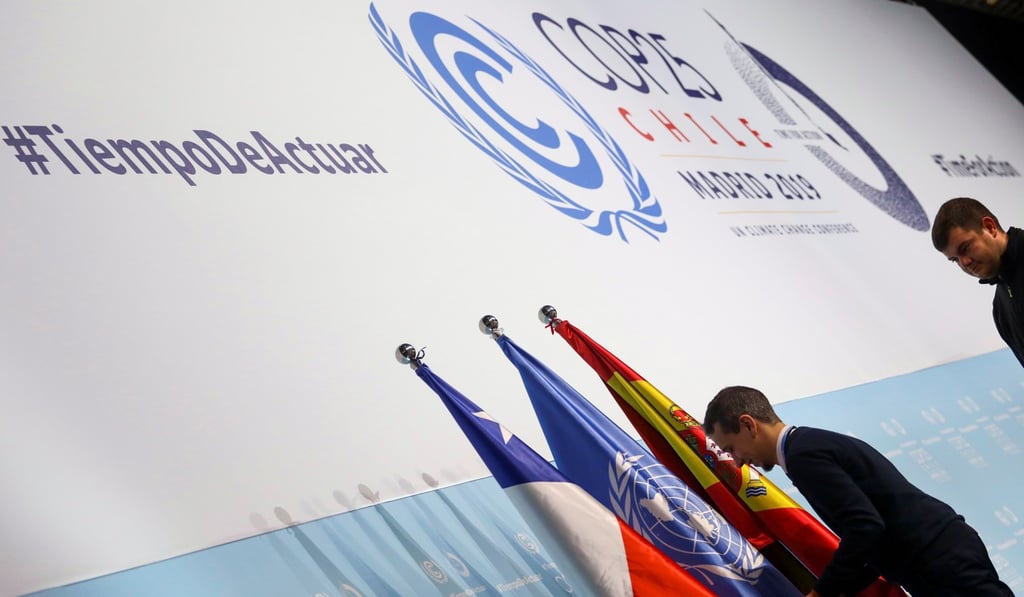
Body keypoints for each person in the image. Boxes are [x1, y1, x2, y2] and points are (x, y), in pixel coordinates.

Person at [703, 385, 1013, 597]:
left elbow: (864, 527)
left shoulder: (803, 456)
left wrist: (823, 591)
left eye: (731, 449)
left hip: (938, 558)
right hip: (939, 553)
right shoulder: (810, 444)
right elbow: (873, 529)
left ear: (748, 425)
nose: (738, 461)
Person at [931, 197, 1024, 366]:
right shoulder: (1000, 308)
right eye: (955, 260)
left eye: (965, 248)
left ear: (990, 228)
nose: (964, 263)